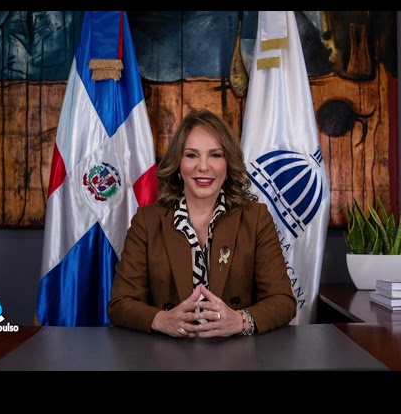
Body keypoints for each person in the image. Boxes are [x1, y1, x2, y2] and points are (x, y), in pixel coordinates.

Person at [108, 109, 297, 338]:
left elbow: (283, 301)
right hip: (166, 358)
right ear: (178, 165)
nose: (204, 166)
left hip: (237, 359)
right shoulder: (147, 221)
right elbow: (120, 303)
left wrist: (240, 321)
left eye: (216, 155)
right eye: (191, 155)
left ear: (228, 166)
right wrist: (161, 320)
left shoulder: (256, 218)